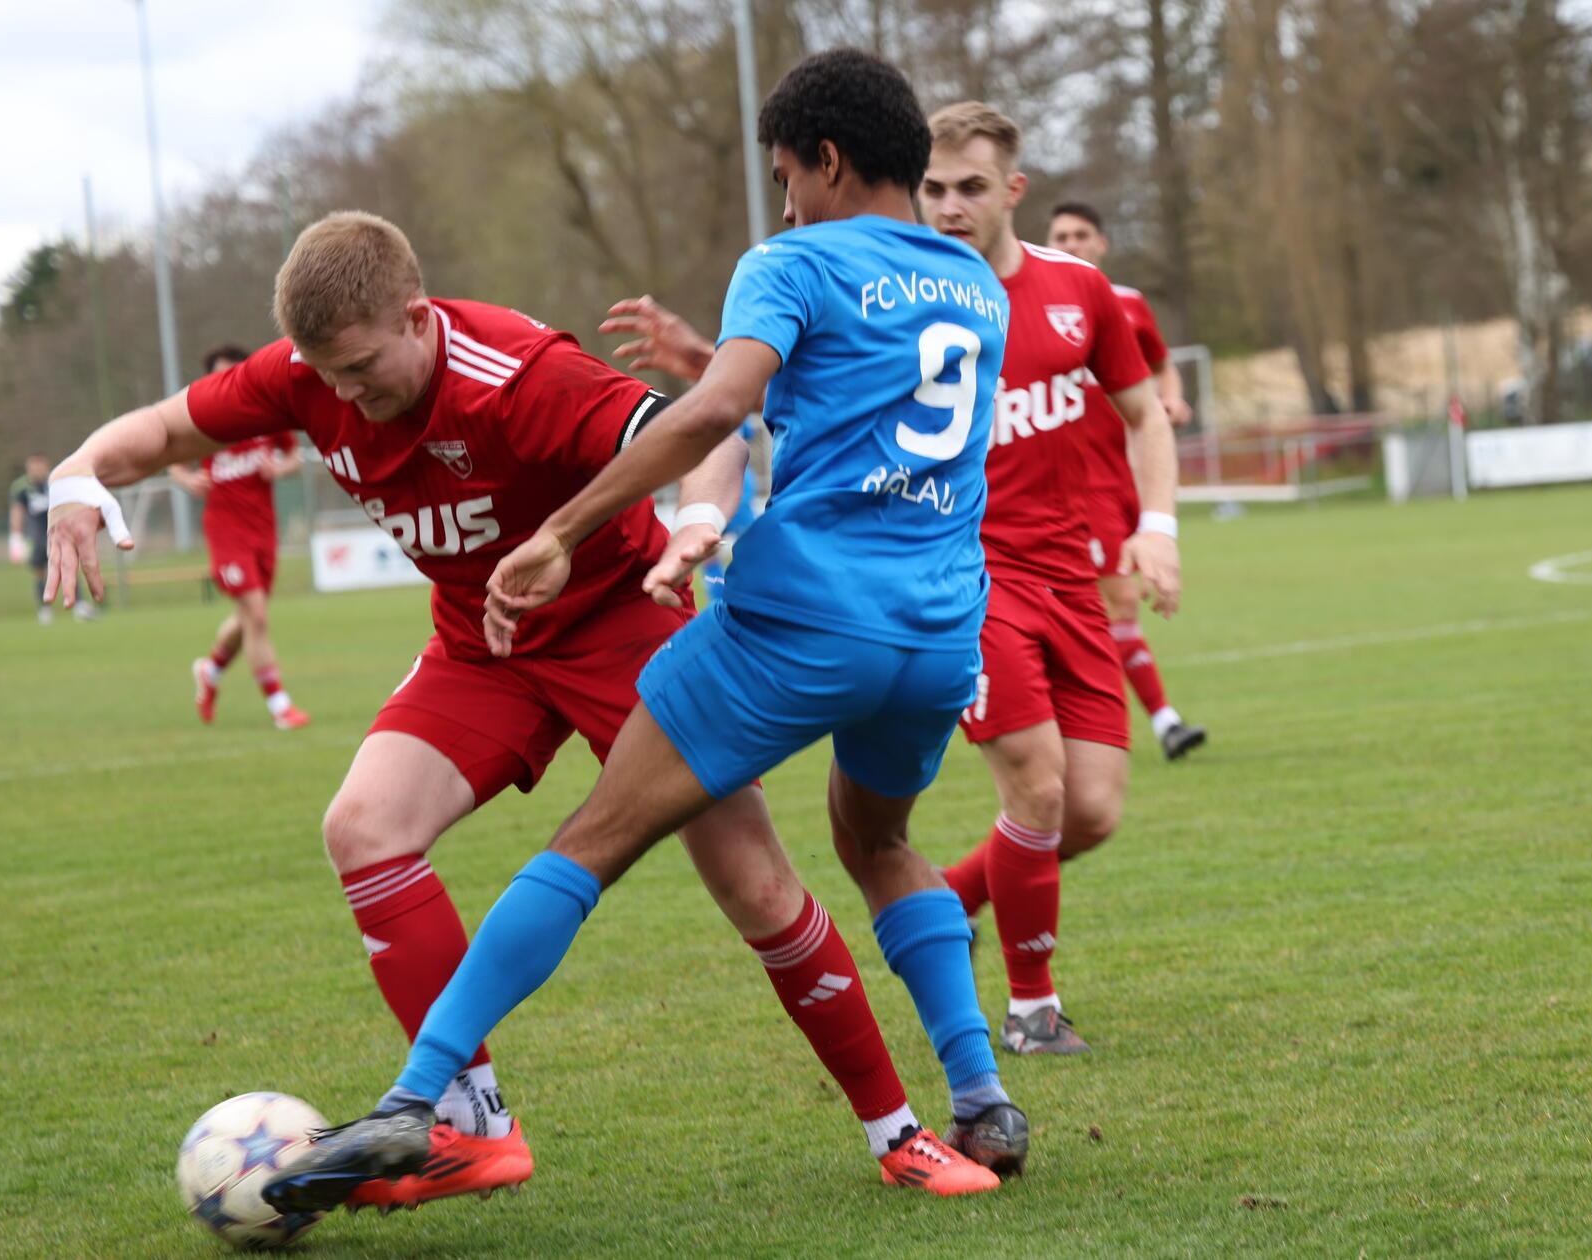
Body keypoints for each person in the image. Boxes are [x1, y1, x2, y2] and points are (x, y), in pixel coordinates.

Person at [44, 209, 984, 1205]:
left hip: (623, 632)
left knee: (753, 883)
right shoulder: (306, 372)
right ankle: (470, 1126)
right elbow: (157, 430)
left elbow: (701, 431)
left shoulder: (524, 376)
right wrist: (75, 478)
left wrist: (698, 521)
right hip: (480, 645)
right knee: (362, 828)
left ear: (416, 317)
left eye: (360, 368)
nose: (341, 396)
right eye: (323, 375)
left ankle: (898, 1132)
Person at [261, 49, 1026, 1215]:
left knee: (592, 839)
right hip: (936, 630)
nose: (780, 202)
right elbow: (843, 398)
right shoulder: (978, 287)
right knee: (876, 843)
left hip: (803, 619)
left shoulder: (787, 260)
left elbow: (717, 410)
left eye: (785, 173)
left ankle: (416, 1102)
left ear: (826, 160)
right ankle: (981, 1098)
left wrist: (563, 530)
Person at [919, 103, 1183, 1056]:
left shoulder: (1081, 292)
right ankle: (1032, 1011)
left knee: (1093, 811)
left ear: (1012, 191)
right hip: (968, 586)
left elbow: (1147, 416)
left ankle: (939, 901)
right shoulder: (903, 303)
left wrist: (1157, 528)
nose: (950, 206)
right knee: (1036, 791)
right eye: (935, 189)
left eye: (971, 188)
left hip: (1072, 579)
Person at [1046, 200, 1207, 759]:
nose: (1071, 243)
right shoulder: (1033, 302)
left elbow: (1161, 364)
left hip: (1129, 478)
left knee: (1109, 609)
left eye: (1081, 234)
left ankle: (1089, 723)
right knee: (1116, 603)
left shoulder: (1129, 305)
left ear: (1101, 243)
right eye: (1060, 235)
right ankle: (1162, 721)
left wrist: (1172, 397)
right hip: (1077, 485)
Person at [174, 344, 310, 729]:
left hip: (263, 530)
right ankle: (280, 706)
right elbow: (169, 458)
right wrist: (187, 478)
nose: (228, 381)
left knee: (249, 616)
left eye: (235, 372)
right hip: (225, 532)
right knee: (257, 614)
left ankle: (210, 671)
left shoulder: (266, 416)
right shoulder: (201, 422)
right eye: (220, 374)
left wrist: (279, 469)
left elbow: (295, 456)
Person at [9, 455, 94, 624]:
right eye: (32, 467)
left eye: (39, 466)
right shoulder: (22, 488)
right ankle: (45, 609)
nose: (36, 470)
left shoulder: (56, 483)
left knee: (69, 567)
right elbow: (17, 512)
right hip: (37, 537)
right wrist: (16, 538)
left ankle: (79, 605)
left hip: (60, 534)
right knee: (40, 573)